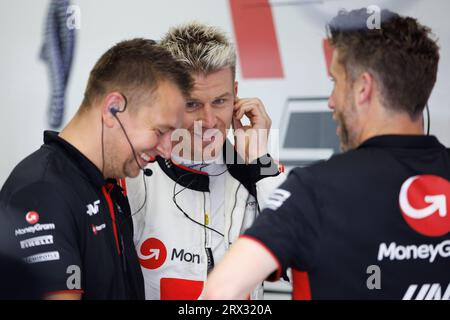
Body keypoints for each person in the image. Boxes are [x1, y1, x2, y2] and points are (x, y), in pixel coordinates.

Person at [205, 9, 450, 300]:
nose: (332, 102)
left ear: (363, 88)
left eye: (336, 82)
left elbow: (221, 290)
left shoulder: (316, 190)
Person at [0, 38, 193, 300]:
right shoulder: (41, 192)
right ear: (113, 109)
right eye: (160, 131)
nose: (167, 150)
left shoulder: (106, 184)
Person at [125, 22, 285, 300]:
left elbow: (308, 264)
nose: (209, 121)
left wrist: (261, 165)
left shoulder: (263, 175)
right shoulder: (131, 177)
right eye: (192, 104)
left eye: (220, 101)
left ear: (236, 94)